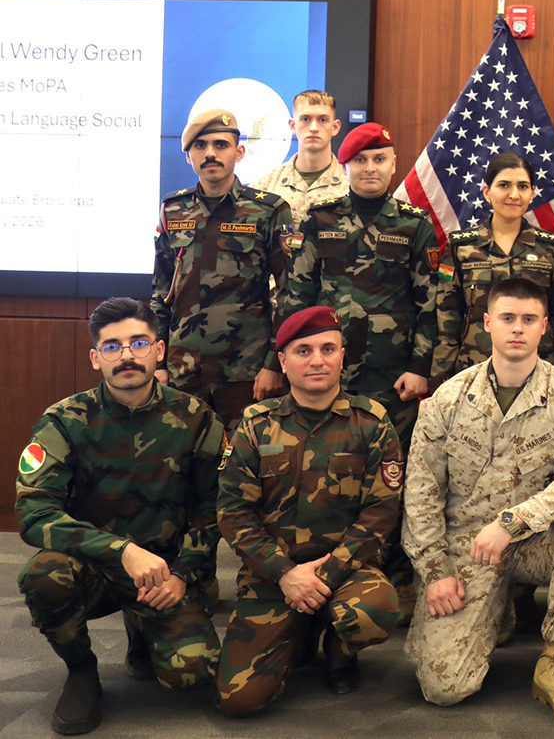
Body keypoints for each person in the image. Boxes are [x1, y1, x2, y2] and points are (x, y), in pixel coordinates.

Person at [402, 278, 554, 724]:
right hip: (468, 548)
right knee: (446, 689)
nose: (516, 329)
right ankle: (493, 611)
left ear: (543, 326)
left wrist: (513, 522)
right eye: (507, 318)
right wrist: (435, 572)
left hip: (534, 539)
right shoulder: (448, 398)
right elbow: (422, 493)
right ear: (487, 324)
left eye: (527, 320)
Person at [16, 298, 224, 735]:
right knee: (43, 575)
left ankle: (142, 630)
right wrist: (121, 551)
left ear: (159, 350)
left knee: (194, 672)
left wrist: (184, 574)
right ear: (96, 358)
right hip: (93, 567)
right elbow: (34, 511)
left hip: (165, 572)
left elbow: (215, 508)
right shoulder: (65, 420)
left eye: (138, 342)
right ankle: (81, 671)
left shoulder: (197, 418)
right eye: (111, 346)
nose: (126, 355)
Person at [215, 306, 404, 716]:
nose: (317, 360)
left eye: (327, 348)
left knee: (378, 609)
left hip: (346, 571)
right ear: (282, 362)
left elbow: (381, 511)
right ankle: (299, 633)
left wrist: (324, 576)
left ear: (341, 355)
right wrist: (284, 574)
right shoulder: (253, 425)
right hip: (273, 575)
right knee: (239, 701)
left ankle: (340, 651)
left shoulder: (371, 422)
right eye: (303, 351)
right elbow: (234, 512)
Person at [279, 121, 438, 446]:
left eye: (379, 159)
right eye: (361, 160)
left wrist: (420, 367)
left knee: (390, 462)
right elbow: (298, 295)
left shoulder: (415, 223)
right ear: (344, 165)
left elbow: (429, 303)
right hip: (324, 367)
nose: (370, 168)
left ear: (393, 165)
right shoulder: (319, 219)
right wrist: (286, 359)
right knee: (324, 459)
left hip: (393, 374)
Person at [150, 108, 291, 427]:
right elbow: (161, 293)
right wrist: (158, 363)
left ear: (239, 152)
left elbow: (290, 293)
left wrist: (274, 364)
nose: (210, 153)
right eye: (200, 146)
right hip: (183, 370)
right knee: (184, 466)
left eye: (220, 145)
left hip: (248, 372)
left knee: (246, 467)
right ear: (188, 157)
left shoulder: (269, 210)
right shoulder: (173, 209)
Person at [433, 152, 554, 385]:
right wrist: (441, 379)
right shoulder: (461, 247)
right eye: (504, 185)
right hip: (473, 370)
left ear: (532, 193)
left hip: (539, 372)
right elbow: (447, 318)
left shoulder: (551, 248)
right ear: (487, 191)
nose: (514, 194)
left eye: (523, 186)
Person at [252, 89, 349, 231]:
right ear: (292, 126)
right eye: (305, 119)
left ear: (335, 127)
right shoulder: (265, 186)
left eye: (322, 120)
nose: (314, 128)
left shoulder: (351, 186)